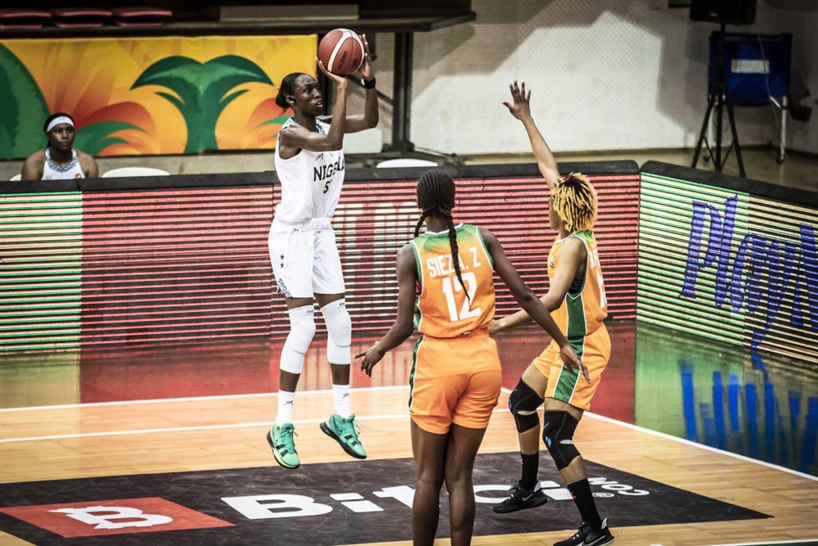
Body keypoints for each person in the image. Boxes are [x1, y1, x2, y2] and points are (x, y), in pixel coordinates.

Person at [357, 170, 585, 546]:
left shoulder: (411, 253)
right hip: (483, 363)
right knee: (461, 477)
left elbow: (403, 327)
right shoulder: (483, 237)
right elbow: (527, 297)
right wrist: (560, 341)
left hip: (437, 365)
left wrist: (378, 349)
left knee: (427, 478)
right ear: (453, 201)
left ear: (419, 204)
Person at [491, 82, 614, 546]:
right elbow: (549, 167)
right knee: (521, 402)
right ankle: (529, 489)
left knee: (558, 437)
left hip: (580, 350)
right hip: (562, 343)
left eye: (551, 202)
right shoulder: (576, 229)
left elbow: (550, 300)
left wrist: (502, 324)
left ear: (560, 212)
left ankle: (595, 527)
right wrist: (526, 119)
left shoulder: (571, 249)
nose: (547, 203)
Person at [266, 36, 379, 470]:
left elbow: (370, 121)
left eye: (318, 86)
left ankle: (341, 416)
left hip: (320, 233)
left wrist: (367, 81)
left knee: (341, 320)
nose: (317, 92)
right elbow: (331, 143)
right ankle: (281, 424)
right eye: (308, 89)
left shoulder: (326, 123)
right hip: (291, 237)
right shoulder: (290, 134)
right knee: (303, 328)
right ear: (291, 101)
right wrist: (342, 83)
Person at [21, 113, 98, 180]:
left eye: (69, 131)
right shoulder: (34, 163)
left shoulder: (87, 162)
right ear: (47, 135)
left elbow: (93, 192)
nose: (65, 136)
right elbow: (28, 192)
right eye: (58, 131)